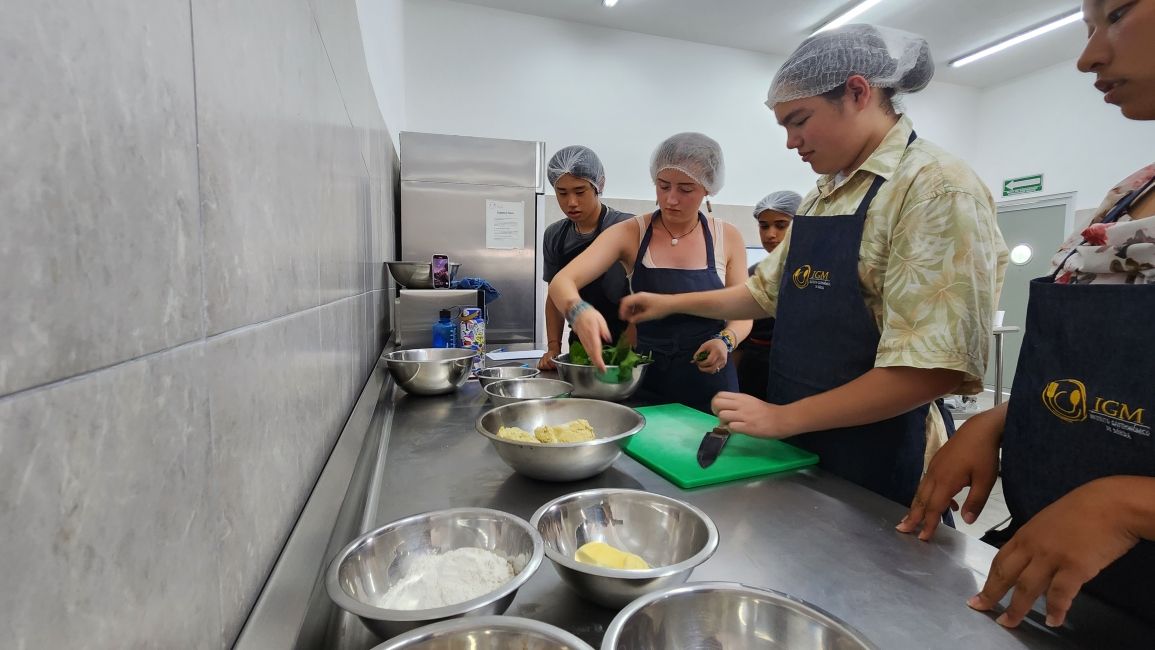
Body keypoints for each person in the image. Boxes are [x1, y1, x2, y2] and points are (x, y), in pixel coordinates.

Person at [620, 25, 1008, 509]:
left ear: (858, 92)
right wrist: (667, 303)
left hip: (875, 455)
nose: (790, 142)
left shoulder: (935, 189)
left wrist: (783, 419)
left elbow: (931, 368)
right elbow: (764, 294)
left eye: (798, 120)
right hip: (799, 446)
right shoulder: (827, 194)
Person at [898, 0, 1155, 629]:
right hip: (1071, 584)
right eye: (1087, 28)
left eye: (1116, 14)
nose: (1088, 55)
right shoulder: (1132, 196)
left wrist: (1127, 506)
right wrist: (1009, 419)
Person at [549, 133, 752, 413]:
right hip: (647, 385)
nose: (671, 199)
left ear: (708, 188)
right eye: (663, 185)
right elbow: (562, 282)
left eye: (685, 189)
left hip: (711, 386)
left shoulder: (727, 237)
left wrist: (726, 340)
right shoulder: (632, 233)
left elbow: (743, 312)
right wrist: (577, 309)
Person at [538, 146, 634, 371]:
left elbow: (646, 290)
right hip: (580, 345)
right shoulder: (555, 235)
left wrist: (629, 345)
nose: (571, 202)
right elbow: (555, 295)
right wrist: (553, 347)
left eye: (579, 192)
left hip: (628, 343)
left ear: (598, 185)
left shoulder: (626, 228)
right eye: (562, 193)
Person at [733, 191, 802, 399]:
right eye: (764, 226)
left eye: (781, 225)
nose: (771, 234)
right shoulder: (754, 274)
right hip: (755, 369)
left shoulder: (815, 275)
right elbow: (740, 341)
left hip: (798, 369)